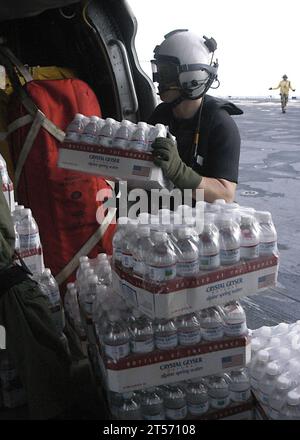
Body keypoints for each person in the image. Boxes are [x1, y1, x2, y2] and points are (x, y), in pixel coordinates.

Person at [149, 29, 243, 204]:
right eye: (158, 71)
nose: (158, 79)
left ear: (192, 77)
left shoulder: (221, 124)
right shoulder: (161, 115)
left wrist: (179, 172)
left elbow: (225, 194)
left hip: (202, 222)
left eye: (166, 73)